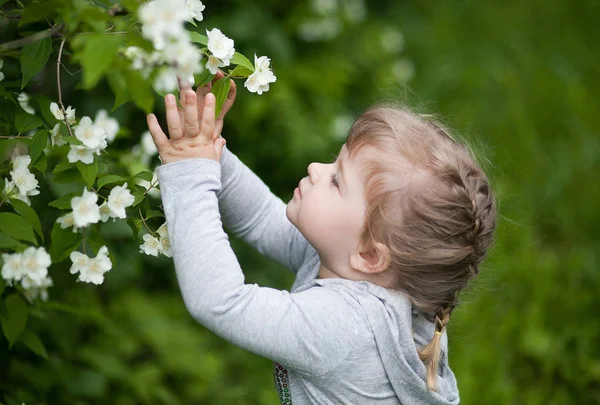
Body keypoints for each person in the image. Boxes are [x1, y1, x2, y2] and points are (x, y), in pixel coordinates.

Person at [146, 72, 496, 404]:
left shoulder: (343, 326)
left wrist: (190, 174)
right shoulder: (355, 264)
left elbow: (220, 301)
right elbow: (260, 219)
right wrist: (207, 150)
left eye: (336, 181)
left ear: (371, 255)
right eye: (333, 162)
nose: (316, 169)